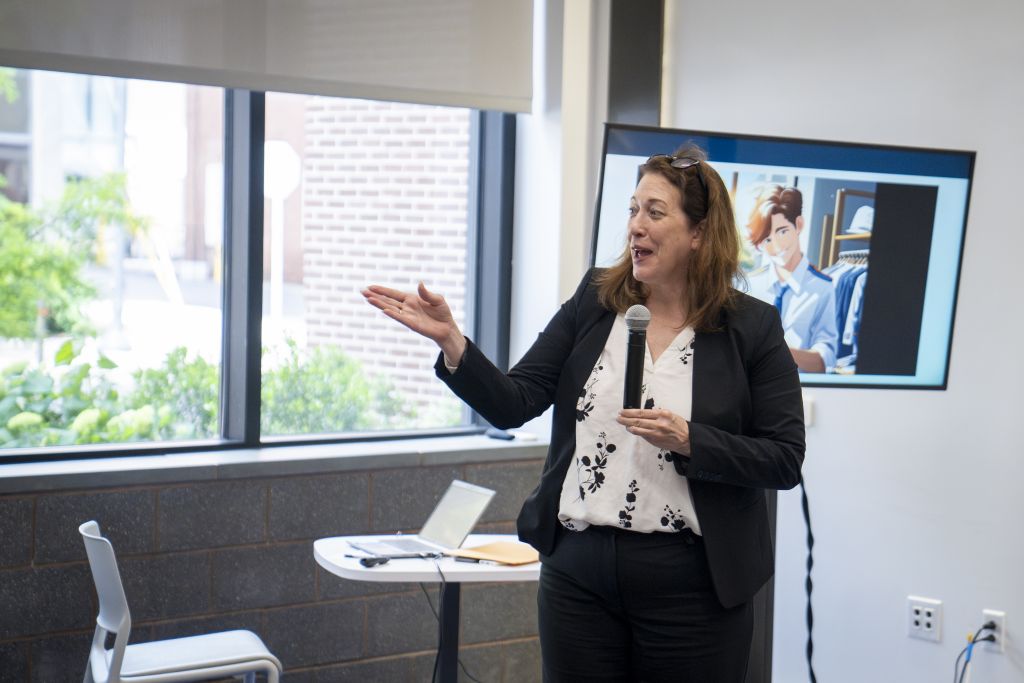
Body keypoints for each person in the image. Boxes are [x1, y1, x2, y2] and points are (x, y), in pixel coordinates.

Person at [362, 143, 805, 682]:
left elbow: (783, 459)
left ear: (699, 234)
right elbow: (514, 401)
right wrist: (453, 342)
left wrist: (692, 439)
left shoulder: (751, 328)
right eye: (633, 210)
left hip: (692, 583)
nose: (636, 226)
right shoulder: (596, 300)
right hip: (579, 575)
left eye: (655, 212)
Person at [745, 185, 838, 373]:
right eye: (767, 240)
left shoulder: (823, 288)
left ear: (799, 225)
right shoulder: (749, 285)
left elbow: (826, 359)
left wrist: (774, 350)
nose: (777, 246)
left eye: (782, 231)